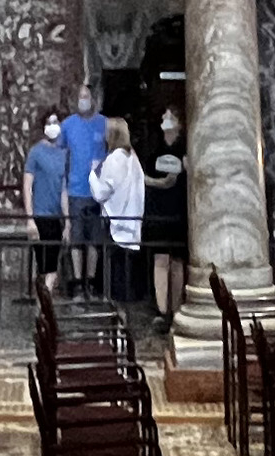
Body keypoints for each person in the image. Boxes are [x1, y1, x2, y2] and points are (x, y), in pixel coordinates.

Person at [93, 120, 148, 310]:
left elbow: (102, 192)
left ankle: (117, 318)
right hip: (131, 222)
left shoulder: (114, 159)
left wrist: (92, 174)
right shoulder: (133, 158)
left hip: (116, 224)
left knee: (116, 277)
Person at [61, 87, 110, 293]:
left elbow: (114, 151)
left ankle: (90, 280)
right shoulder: (68, 125)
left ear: (93, 99)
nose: (83, 100)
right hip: (75, 190)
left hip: (97, 192)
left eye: (86, 97)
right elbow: (61, 154)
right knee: (76, 239)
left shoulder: (103, 124)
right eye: (80, 97)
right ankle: (78, 281)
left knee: (94, 240)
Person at [143, 104, 188, 323]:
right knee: (160, 259)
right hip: (159, 210)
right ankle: (162, 310)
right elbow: (144, 176)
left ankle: (177, 308)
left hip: (179, 209)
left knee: (178, 261)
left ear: (179, 123)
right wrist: (159, 182)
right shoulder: (154, 148)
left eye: (169, 116)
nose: (164, 118)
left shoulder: (186, 149)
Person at [26, 109, 68, 286]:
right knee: (43, 267)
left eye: (56, 122)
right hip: (40, 216)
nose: (53, 126)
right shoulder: (35, 152)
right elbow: (27, 185)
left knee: (52, 268)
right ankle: (43, 308)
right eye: (49, 122)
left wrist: (67, 221)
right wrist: (30, 219)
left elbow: (64, 188)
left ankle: (44, 308)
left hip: (56, 217)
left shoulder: (63, 153)